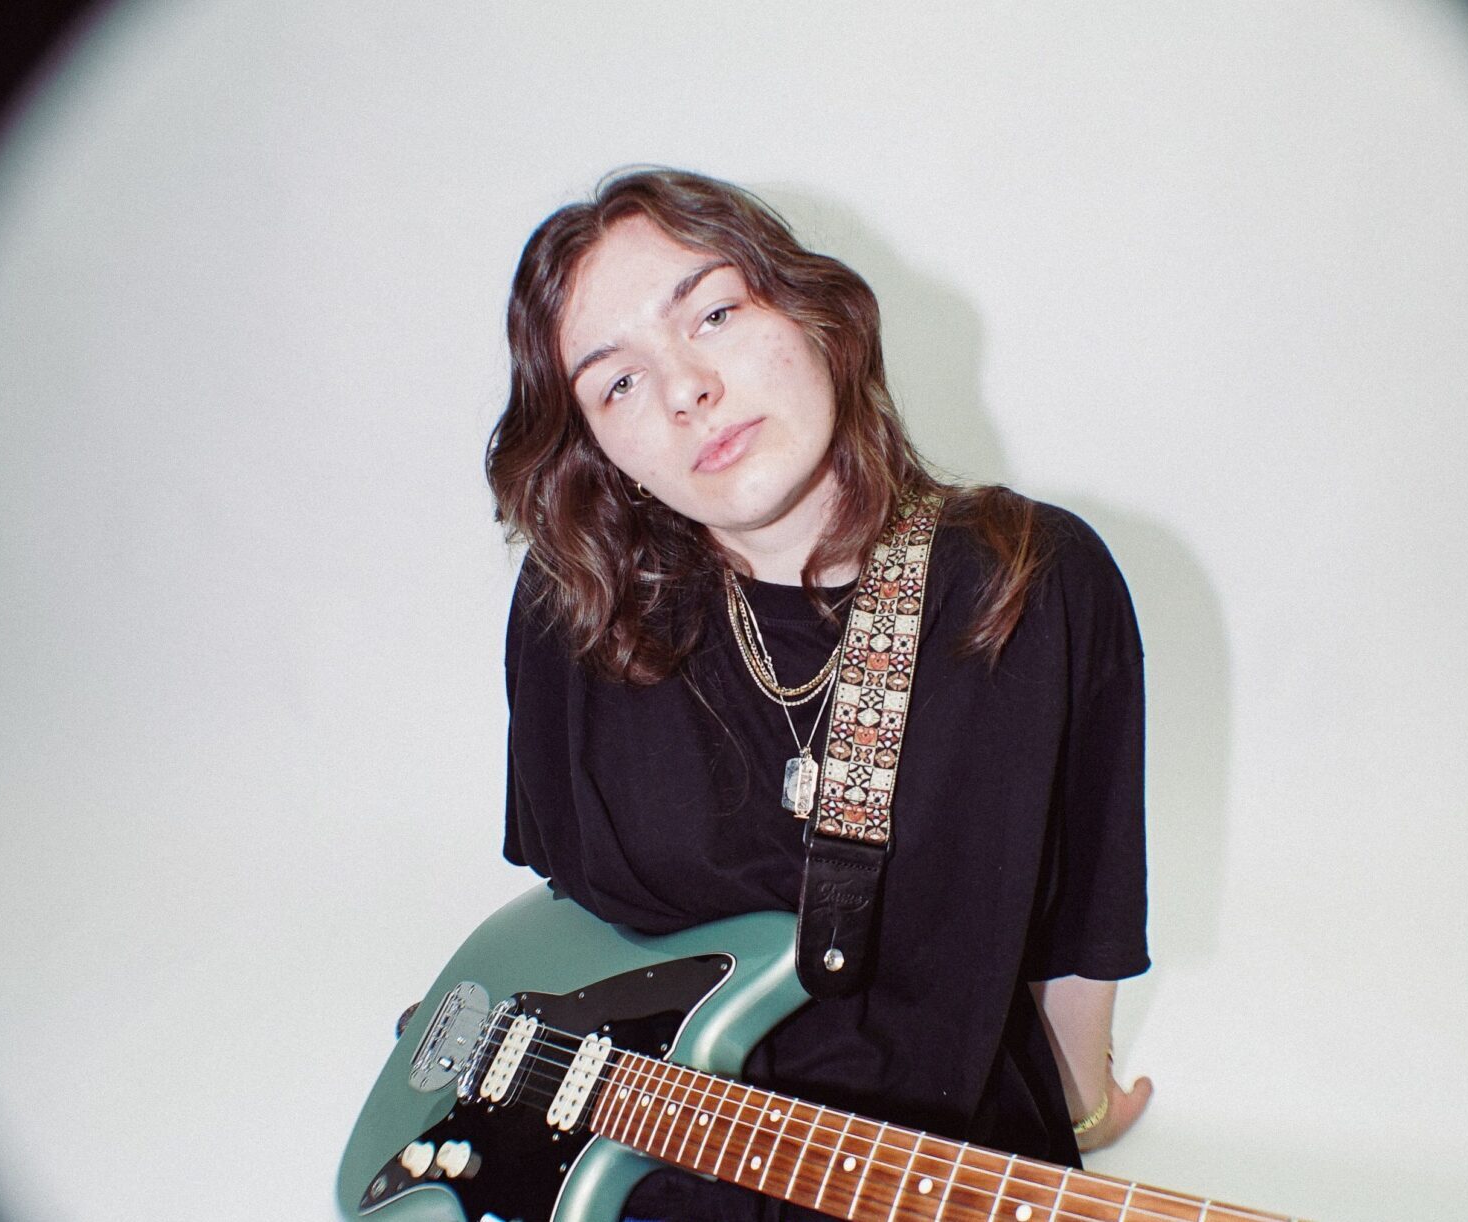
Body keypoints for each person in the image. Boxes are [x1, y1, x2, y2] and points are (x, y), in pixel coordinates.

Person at [486, 167, 1151, 1219]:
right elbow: (569, 929)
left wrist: (1077, 1105)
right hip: (627, 1171)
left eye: (712, 313)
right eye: (617, 383)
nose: (685, 389)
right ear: (599, 451)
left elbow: (1080, 918)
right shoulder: (571, 610)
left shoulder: (1029, 583)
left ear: (811, 312)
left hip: (919, 1172)